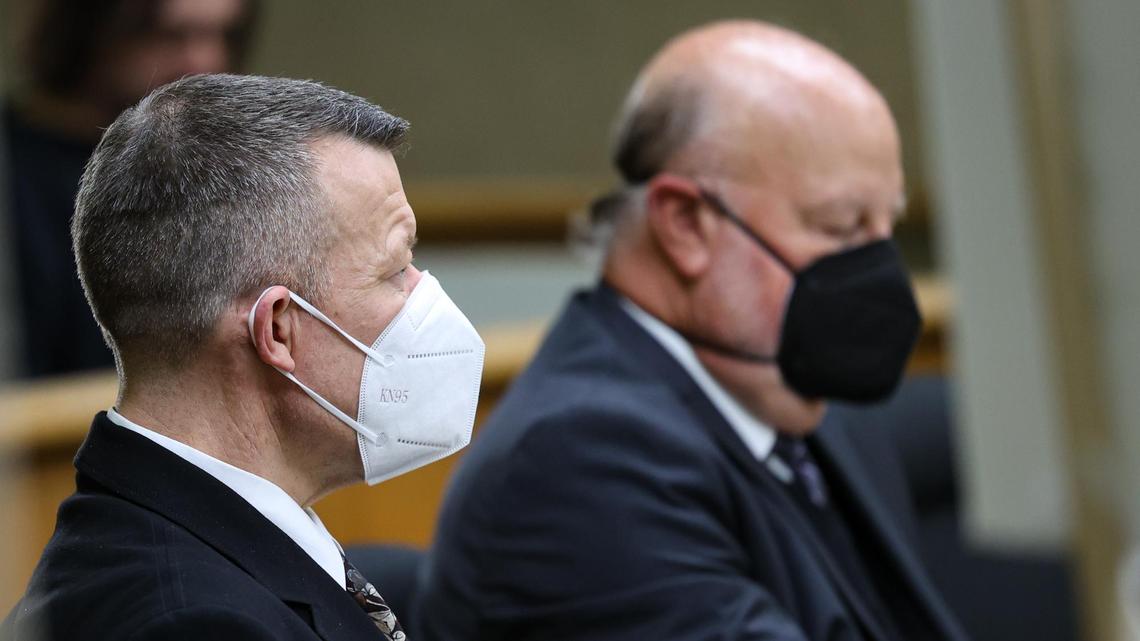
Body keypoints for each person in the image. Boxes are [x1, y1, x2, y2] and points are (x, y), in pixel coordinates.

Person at [419, 20, 969, 641]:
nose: (878, 272)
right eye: (841, 227)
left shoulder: (793, 401)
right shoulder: (581, 466)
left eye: (884, 228)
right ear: (685, 225)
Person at [2, 74, 485, 640]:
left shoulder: (192, 542)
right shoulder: (193, 624)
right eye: (394, 269)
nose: (421, 292)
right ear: (278, 329)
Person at [1, 0, 257, 377]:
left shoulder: (219, 161)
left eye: (223, 35)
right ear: (93, 31)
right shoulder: (18, 166)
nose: (205, 60)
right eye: (170, 35)